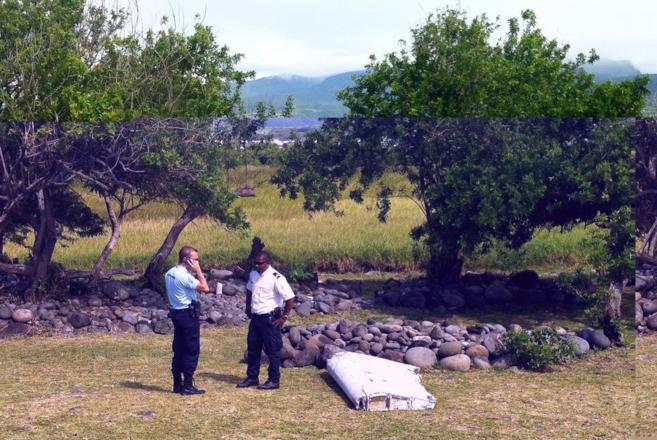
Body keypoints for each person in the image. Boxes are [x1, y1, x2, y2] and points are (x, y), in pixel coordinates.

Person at [236, 251, 295, 390]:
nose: (257, 265)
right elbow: (249, 290)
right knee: (253, 348)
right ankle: (252, 377)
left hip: (270, 319)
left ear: (268, 262)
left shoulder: (276, 277)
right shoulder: (253, 274)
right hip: (256, 318)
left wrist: (284, 317)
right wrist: (247, 307)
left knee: (272, 350)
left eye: (260, 263)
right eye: (255, 263)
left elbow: (290, 298)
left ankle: (273, 380)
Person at [165, 245, 209, 395]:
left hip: (176, 313)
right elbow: (205, 287)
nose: (197, 262)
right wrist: (198, 271)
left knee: (178, 348)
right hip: (187, 315)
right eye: (195, 260)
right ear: (186, 259)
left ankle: (177, 383)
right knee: (191, 349)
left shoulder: (170, 273)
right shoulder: (185, 276)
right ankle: (188, 384)